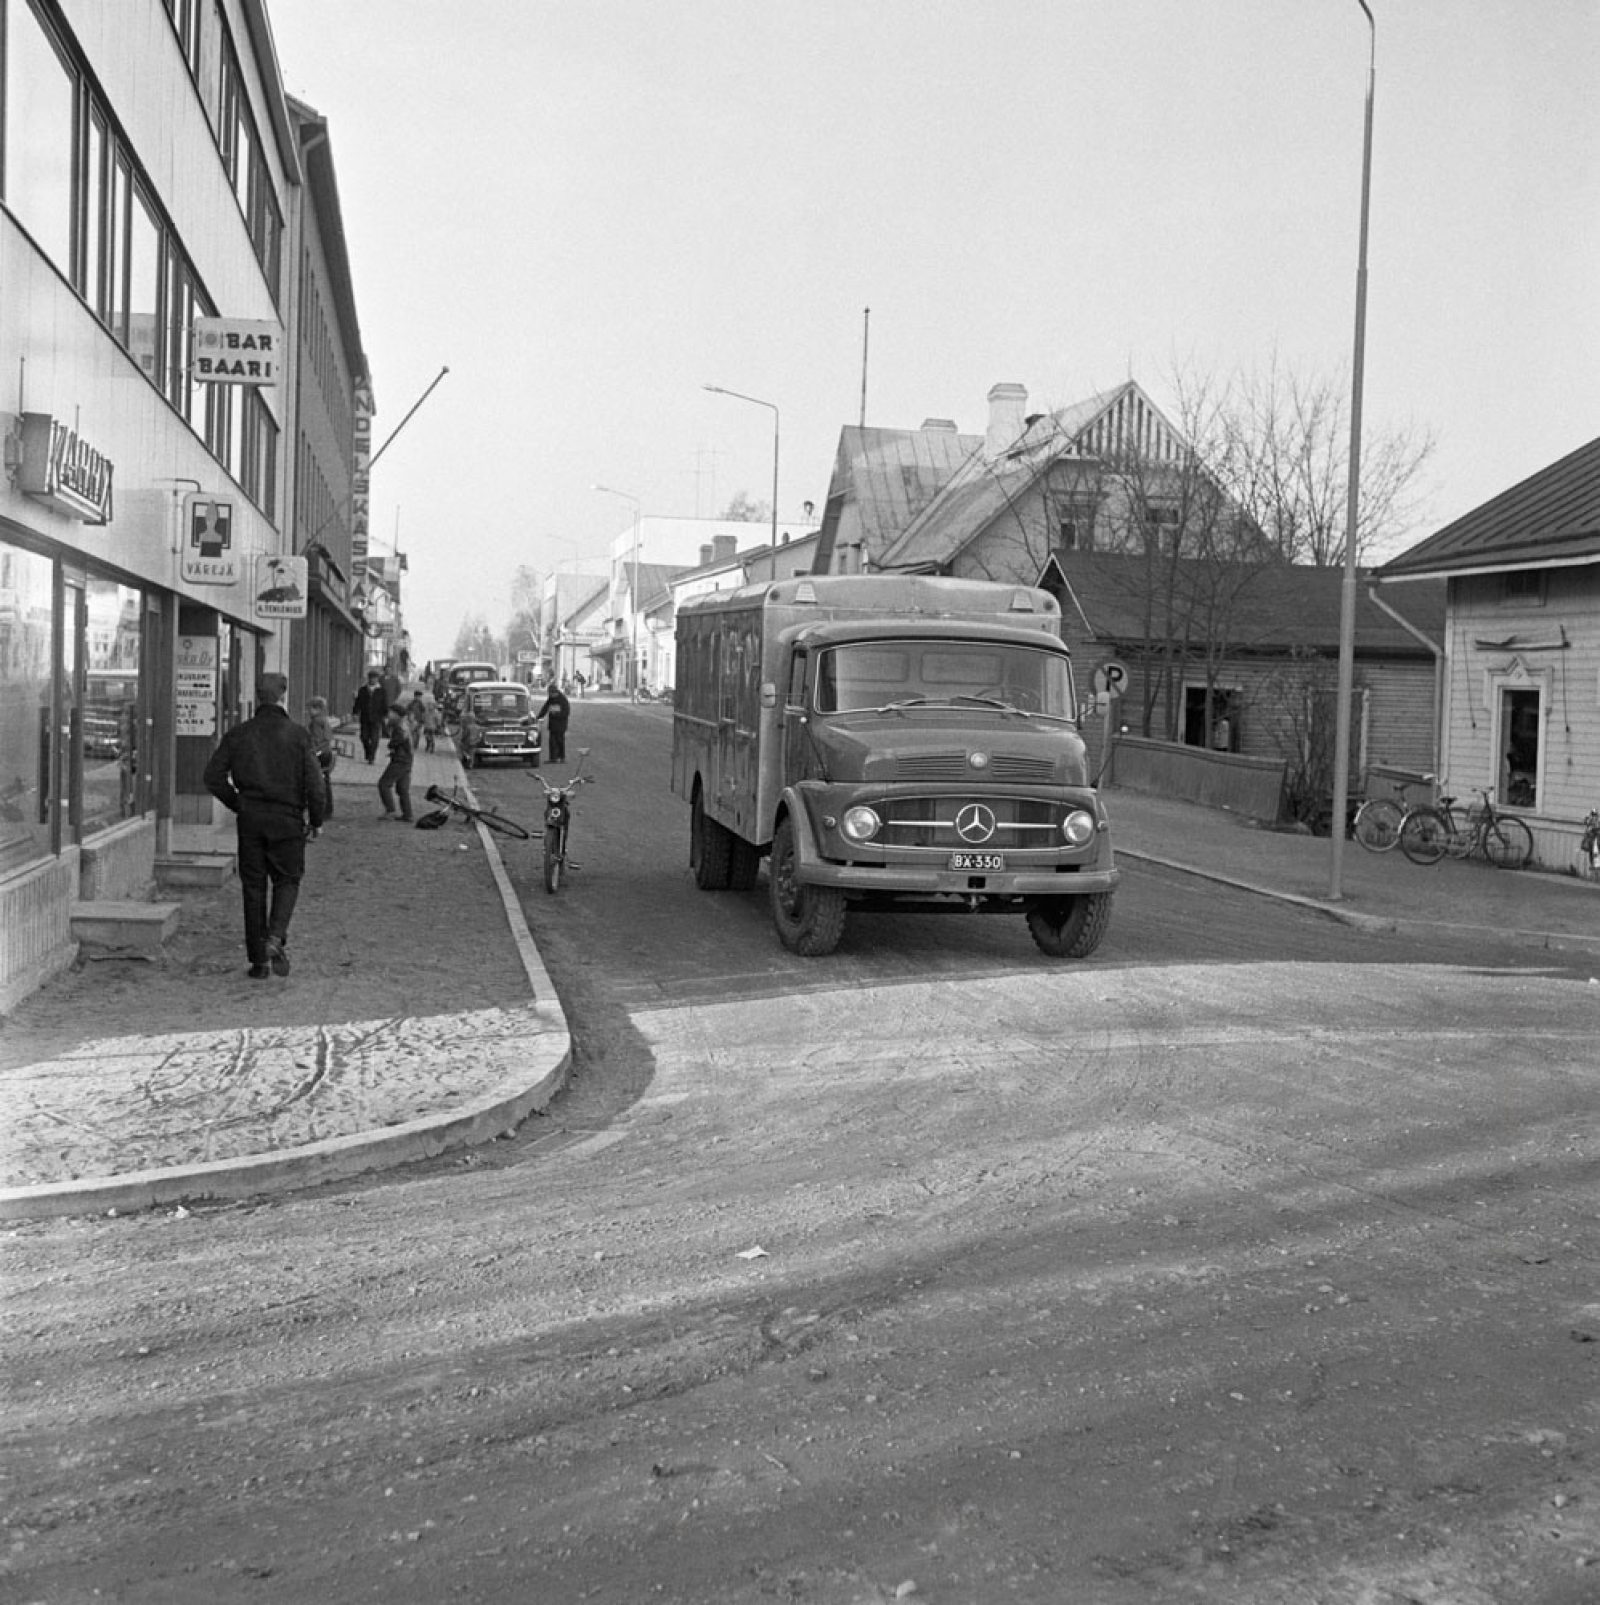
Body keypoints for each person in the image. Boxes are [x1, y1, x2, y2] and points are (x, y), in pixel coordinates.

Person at [202, 672, 324, 980]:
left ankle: (258, 962)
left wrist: (238, 803)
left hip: (251, 819)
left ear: (257, 696)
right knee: (288, 879)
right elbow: (315, 784)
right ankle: (275, 936)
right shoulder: (298, 736)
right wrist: (316, 820)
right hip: (287, 818)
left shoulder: (239, 734)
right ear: (283, 695)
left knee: (253, 888)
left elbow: (213, 777)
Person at [378, 705, 415, 822]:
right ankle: (408, 814)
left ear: (396, 714)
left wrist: (391, 745)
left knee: (384, 784)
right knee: (402, 788)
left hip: (400, 760)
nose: (388, 715)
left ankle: (390, 810)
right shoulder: (405, 724)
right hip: (407, 759)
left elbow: (396, 741)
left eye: (391, 713)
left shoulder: (399, 727)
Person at [306, 694, 337, 818]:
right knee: (326, 781)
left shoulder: (316, 722)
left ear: (317, 709)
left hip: (320, 753)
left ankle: (323, 808)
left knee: (319, 781)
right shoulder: (324, 720)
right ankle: (328, 808)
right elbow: (328, 737)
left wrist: (312, 751)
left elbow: (317, 739)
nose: (308, 711)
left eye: (310, 709)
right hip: (327, 752)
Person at [352, 669, 388, 763]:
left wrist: (386, 715)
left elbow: (385, 704)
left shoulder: (381, 691)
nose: (373, 680)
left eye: (375, 678)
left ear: (377, 679)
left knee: (375, 738)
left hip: (377, 717)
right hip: (365, 717)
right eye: (371, 678)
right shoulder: (363, 690)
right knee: (364, 737)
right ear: (368, 679)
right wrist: (355, 712)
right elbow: (358, 702)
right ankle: (368, 751)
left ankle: (372, 757)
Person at [534, 682, 571, 764]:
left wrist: (557, 714)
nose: (549, 695)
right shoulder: (550, 699)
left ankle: (561, 757)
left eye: (550, 693)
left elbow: (566, 712)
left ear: (555, 692)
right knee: (552, 742)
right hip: (552, 725)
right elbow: (545, 708)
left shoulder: (563, 700)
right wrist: (538, 717)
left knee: (560, 741)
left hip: (561, 725)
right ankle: (553, 758)